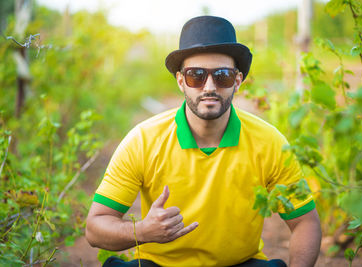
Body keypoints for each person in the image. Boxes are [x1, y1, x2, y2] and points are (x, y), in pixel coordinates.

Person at [85, 16, 322, 267]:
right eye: (196, 75)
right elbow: (95, 227)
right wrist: (142, 231)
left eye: (222, 75)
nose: (209, 86)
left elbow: (306, 222)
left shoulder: (269, 142)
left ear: (238, 81)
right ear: (180, 81)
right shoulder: (143, 140)